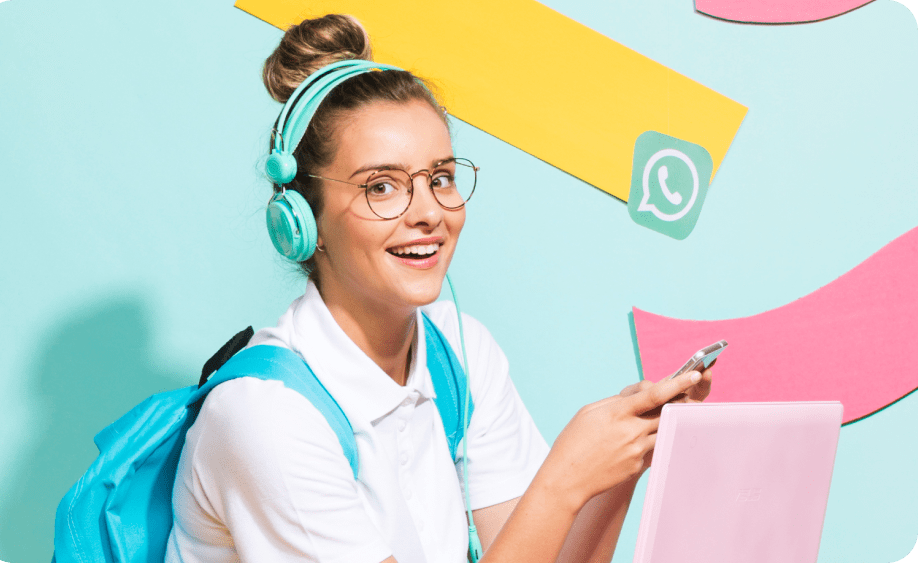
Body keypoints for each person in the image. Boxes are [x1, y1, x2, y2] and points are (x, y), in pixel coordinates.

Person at [164, 13, 712, 563]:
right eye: (382, 186)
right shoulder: (265, 417)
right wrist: (567, 478)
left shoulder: (460, 353)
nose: (429, 212)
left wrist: (618, 464)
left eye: (442, 177)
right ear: (302, 220)